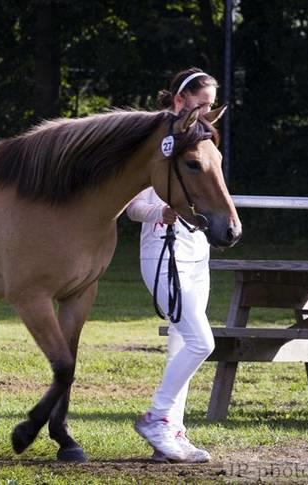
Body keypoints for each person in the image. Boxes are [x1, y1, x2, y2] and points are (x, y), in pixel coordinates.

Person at [128, 68, 222, 463]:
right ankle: (156, 417)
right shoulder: (156, 142)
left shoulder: (197, 141)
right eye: (201, 103)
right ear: (180, 100)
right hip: (163, 252)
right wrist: (160, 212)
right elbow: (132, 207)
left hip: (197, 252)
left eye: (212, 105)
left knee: (181, 346)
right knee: (203, 342)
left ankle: (171, 434)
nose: (207, 111)